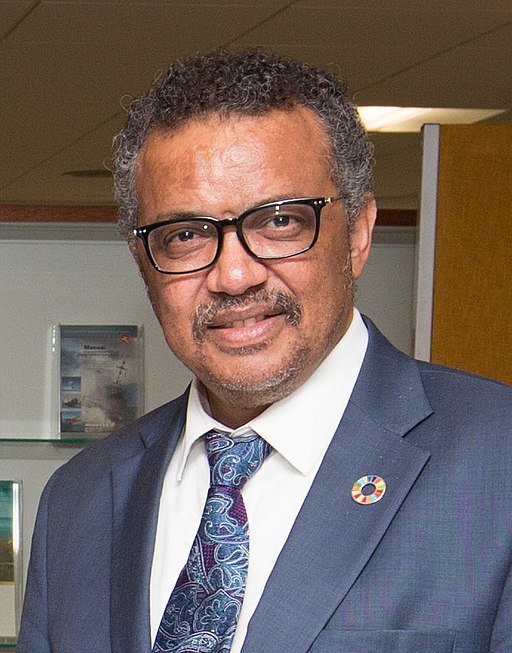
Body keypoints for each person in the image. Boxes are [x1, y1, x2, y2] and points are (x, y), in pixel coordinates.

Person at [17, 49, 512, 653]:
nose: (233, 276)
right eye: (185, 235)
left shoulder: (497, 464)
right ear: (143, 262)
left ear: (358, 235)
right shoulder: (79, 500)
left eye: (279, 222)